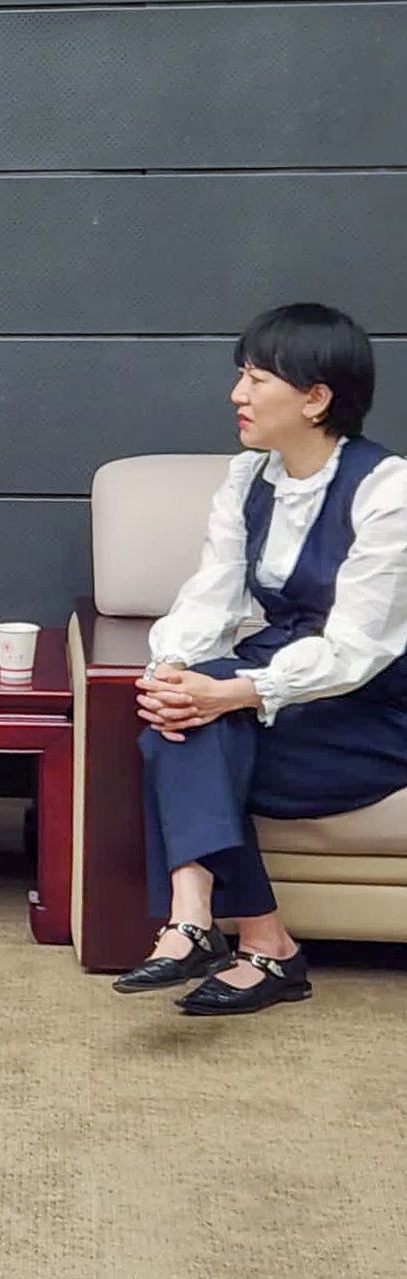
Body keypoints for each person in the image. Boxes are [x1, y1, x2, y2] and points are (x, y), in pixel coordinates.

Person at [118, 302, 407, 1014]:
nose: (236, 395)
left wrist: (232, 693)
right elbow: (210, 597)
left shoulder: (389, 491)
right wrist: (173, 668)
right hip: (277, 681)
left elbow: (355, 650)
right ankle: (227, 932)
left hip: (371, 708)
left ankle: (227, 932)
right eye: (239, 376)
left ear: (315, 399)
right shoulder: (248, 479)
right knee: (181, 718)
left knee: (180, 743)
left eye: (256, 379)